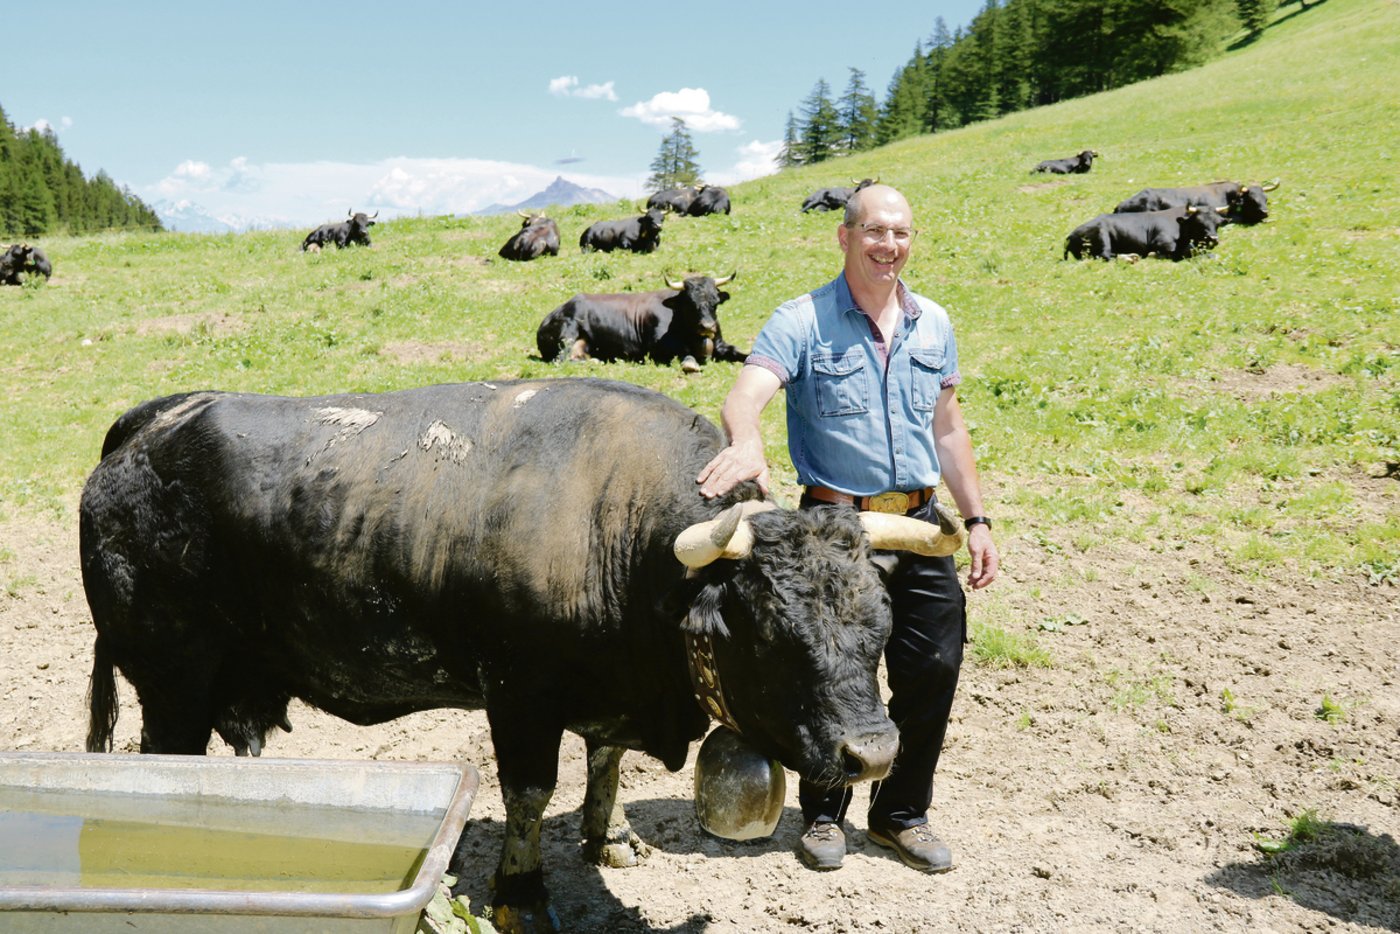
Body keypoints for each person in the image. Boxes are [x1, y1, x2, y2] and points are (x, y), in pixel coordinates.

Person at [696, 184, 999, 873]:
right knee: (830, 672)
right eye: (874, 232)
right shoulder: (801, 320)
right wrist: (745, 440)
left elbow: (948, 428)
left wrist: (975, 518)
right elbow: (747, 390)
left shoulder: (935, 323)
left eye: (900, 233)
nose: (888, 246)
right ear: (845, 237)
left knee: (933, 671)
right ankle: (825, 814)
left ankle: (900, 815)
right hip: (833, 532)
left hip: (919, 527)